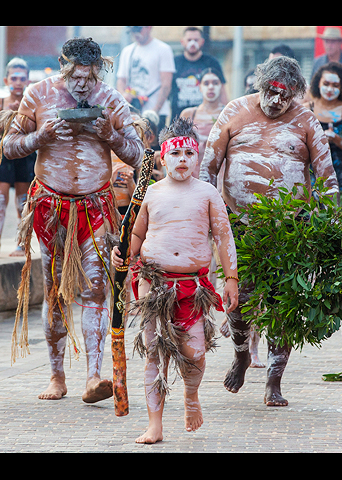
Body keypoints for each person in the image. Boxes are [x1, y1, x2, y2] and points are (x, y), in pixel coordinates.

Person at [3, 38, 144, 405]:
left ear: (98, 70)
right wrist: (41, 137)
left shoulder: (112, 100)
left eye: (89, 76)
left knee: (96, 288)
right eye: (75, 76)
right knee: (54, 291)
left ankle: (95, 376)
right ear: (64, 69)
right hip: (51, 207)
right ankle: (56, 375)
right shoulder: (38, 94)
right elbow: (8, 146)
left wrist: (109, 136)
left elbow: (138, 154)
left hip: (96, 206)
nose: (82, 84)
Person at [199, 56, 339, 407]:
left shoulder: (306, 120)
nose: (276, 102)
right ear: (259, 86)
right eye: (271, 93)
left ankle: (274, 380)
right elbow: (207, 170)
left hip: (289, 231)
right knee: (238, 304)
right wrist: (205, 218)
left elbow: (327, 179)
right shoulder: (234, 111)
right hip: (240, 227)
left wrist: (328, 224)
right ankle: (242, 354)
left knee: (283, 307)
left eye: (285, 96)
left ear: (295, 94)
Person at [111, 116, 239, 445]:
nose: (182, 160)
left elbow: (224, 238)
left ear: (197, 157)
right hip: (154, 283)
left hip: (192, 287)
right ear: (162, 158)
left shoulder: (208, 193)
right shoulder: (151, 193)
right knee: (154, 353)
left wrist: (231, 278)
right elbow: (135, 232)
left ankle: (191, 395)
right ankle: (155, 424)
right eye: (175, 154)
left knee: (195, 351)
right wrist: (123, 255)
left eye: (188, 154)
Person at [0, 58, 35, 257]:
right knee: (0, 199)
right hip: (4, 154)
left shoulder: (32, 102)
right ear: (6, 80)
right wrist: (11, 114)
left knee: (22, 202)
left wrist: (21, 113)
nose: (18, 82)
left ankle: (21, 244)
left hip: (24, 154)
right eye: (14, 78)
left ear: (27, 80)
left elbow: (35, 130)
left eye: (21, 78)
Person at [306, 62, 342, 192]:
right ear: (318, 83)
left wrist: (336, 139)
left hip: (341, 174)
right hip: (313, 174)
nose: (330, 89)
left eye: (335, 85)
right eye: (326, 84)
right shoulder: (307, 109)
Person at [116, 26, 175, 131]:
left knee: (153, 145)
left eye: (138, 30)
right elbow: (121, 80)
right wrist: (124, 94)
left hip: (156, 111)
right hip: (133, 112)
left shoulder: (163, 49)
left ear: (149, 27)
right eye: (132, 31)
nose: (135, 34)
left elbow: (166, 84)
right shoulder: (127, 51)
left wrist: (154, 111)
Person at [171, 27, 228, 121]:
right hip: (178, 118)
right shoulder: (175, 62)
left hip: (206, 118)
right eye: (189, 40)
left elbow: (222, 90)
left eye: (196, 40)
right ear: (182, 42)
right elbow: (166, 88)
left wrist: (226, 113)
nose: (192, 43)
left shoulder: (211, 62)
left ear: (202, 42)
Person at [179, 68, 226, 178]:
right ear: (200, 87)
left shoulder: (229, 113)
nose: (211, 87)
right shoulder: (188, 114)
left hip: (219, 176)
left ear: (221, 86)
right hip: (192, 174)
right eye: (206, 83)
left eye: (215, 83)